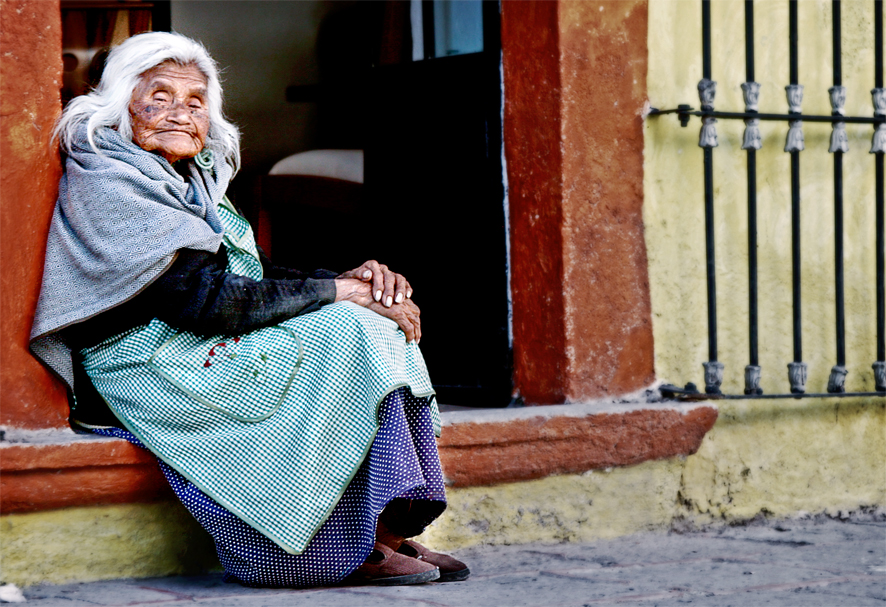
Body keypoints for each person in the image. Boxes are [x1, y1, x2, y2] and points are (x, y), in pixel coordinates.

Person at [30, 31, 468, 588]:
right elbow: (204, 300)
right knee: (351, 330)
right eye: (159, 97)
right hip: (147, 361)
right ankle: (325, 548)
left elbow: (248, 273)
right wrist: (341, 296)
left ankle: (377, 529)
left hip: (191, 342)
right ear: (121, 104)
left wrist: (348, 280)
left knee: (375, 320)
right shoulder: (111, 178)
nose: (180, 113)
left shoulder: (187, 175)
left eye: (195, 102)